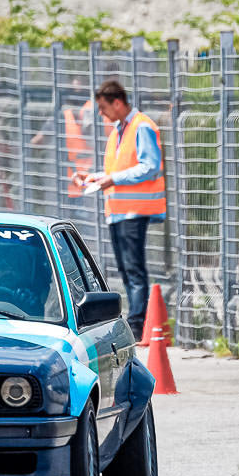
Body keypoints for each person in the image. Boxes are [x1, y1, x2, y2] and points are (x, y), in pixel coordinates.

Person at [76, 80, 166, 335]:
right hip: (118, 212)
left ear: (117, 103)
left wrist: (112, 179)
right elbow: (118, 169)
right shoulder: (120, 130)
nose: (101, 113)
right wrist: (94, 178)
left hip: (134, 210)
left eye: (103, 108)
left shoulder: (141, 126)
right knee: (126, 269)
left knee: (134, 269)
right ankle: (136, 321)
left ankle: (137, 324)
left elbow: (150, 167)